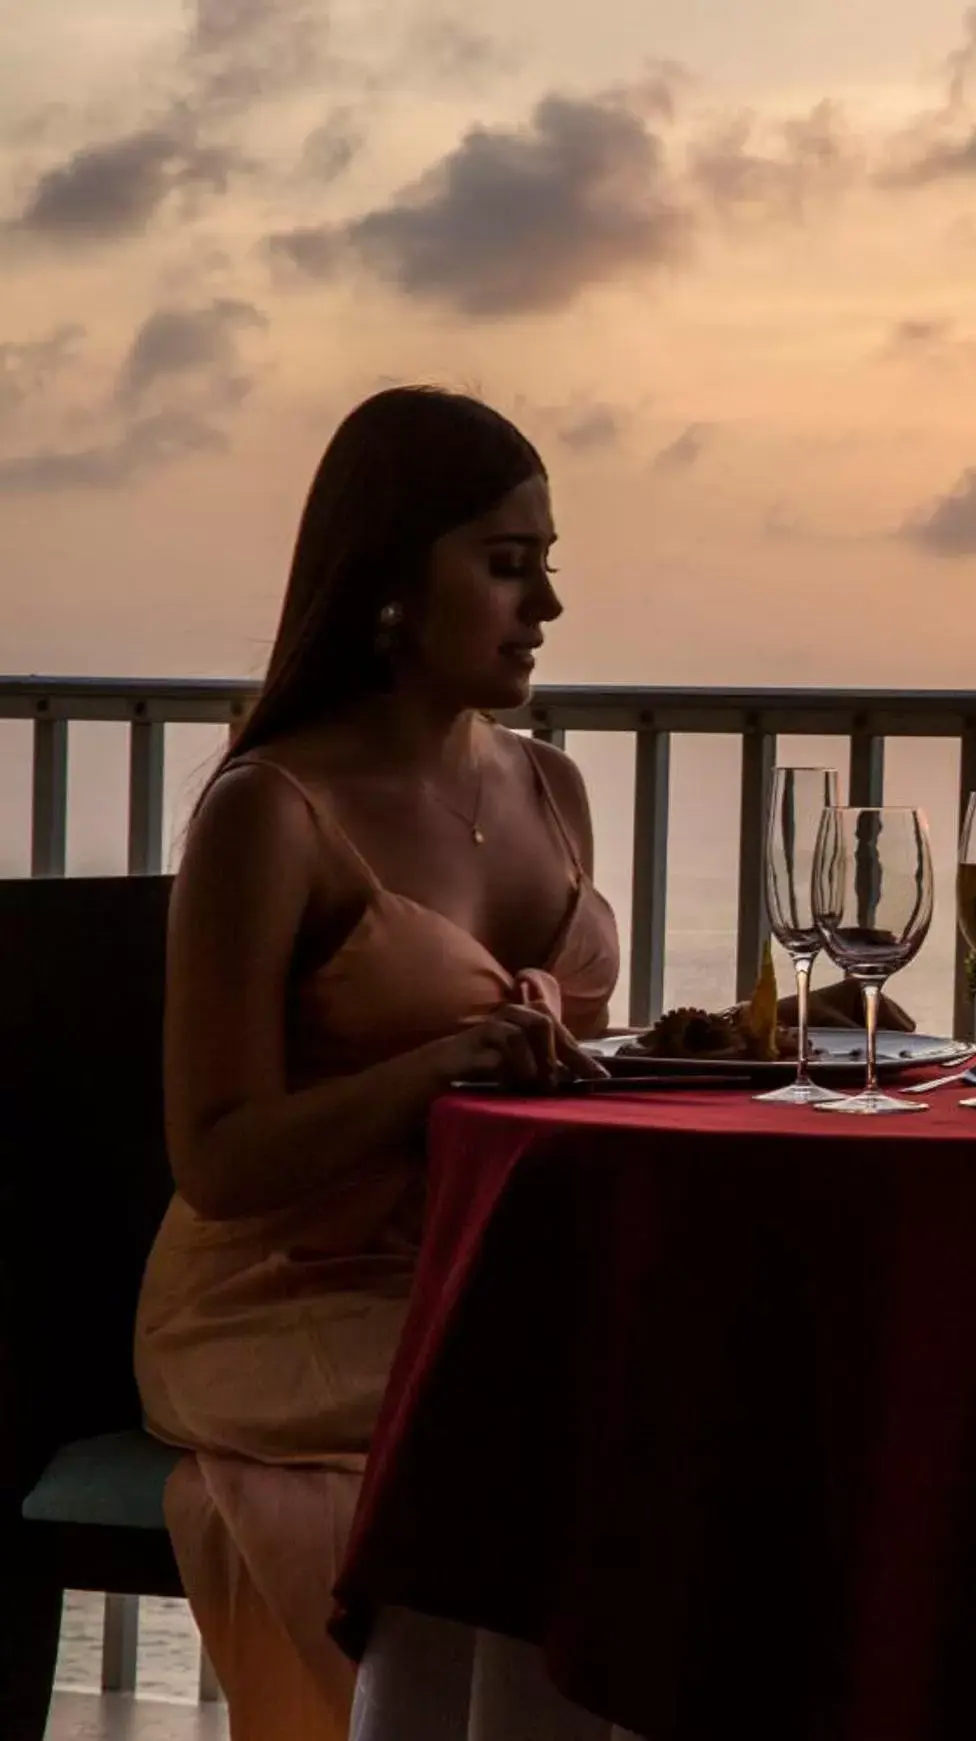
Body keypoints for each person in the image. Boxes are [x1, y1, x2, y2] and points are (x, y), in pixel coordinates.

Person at [141, 387, 620, 1738]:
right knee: (547, 1432)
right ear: (392, 584)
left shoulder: (552, 792)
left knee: (683, 1386)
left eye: (548, 567)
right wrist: (437, 1066)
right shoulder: (268, 814)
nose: (547, 608)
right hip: (281, 1299)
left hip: (473, 1277)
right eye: (507, 565)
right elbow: (218, 1159)